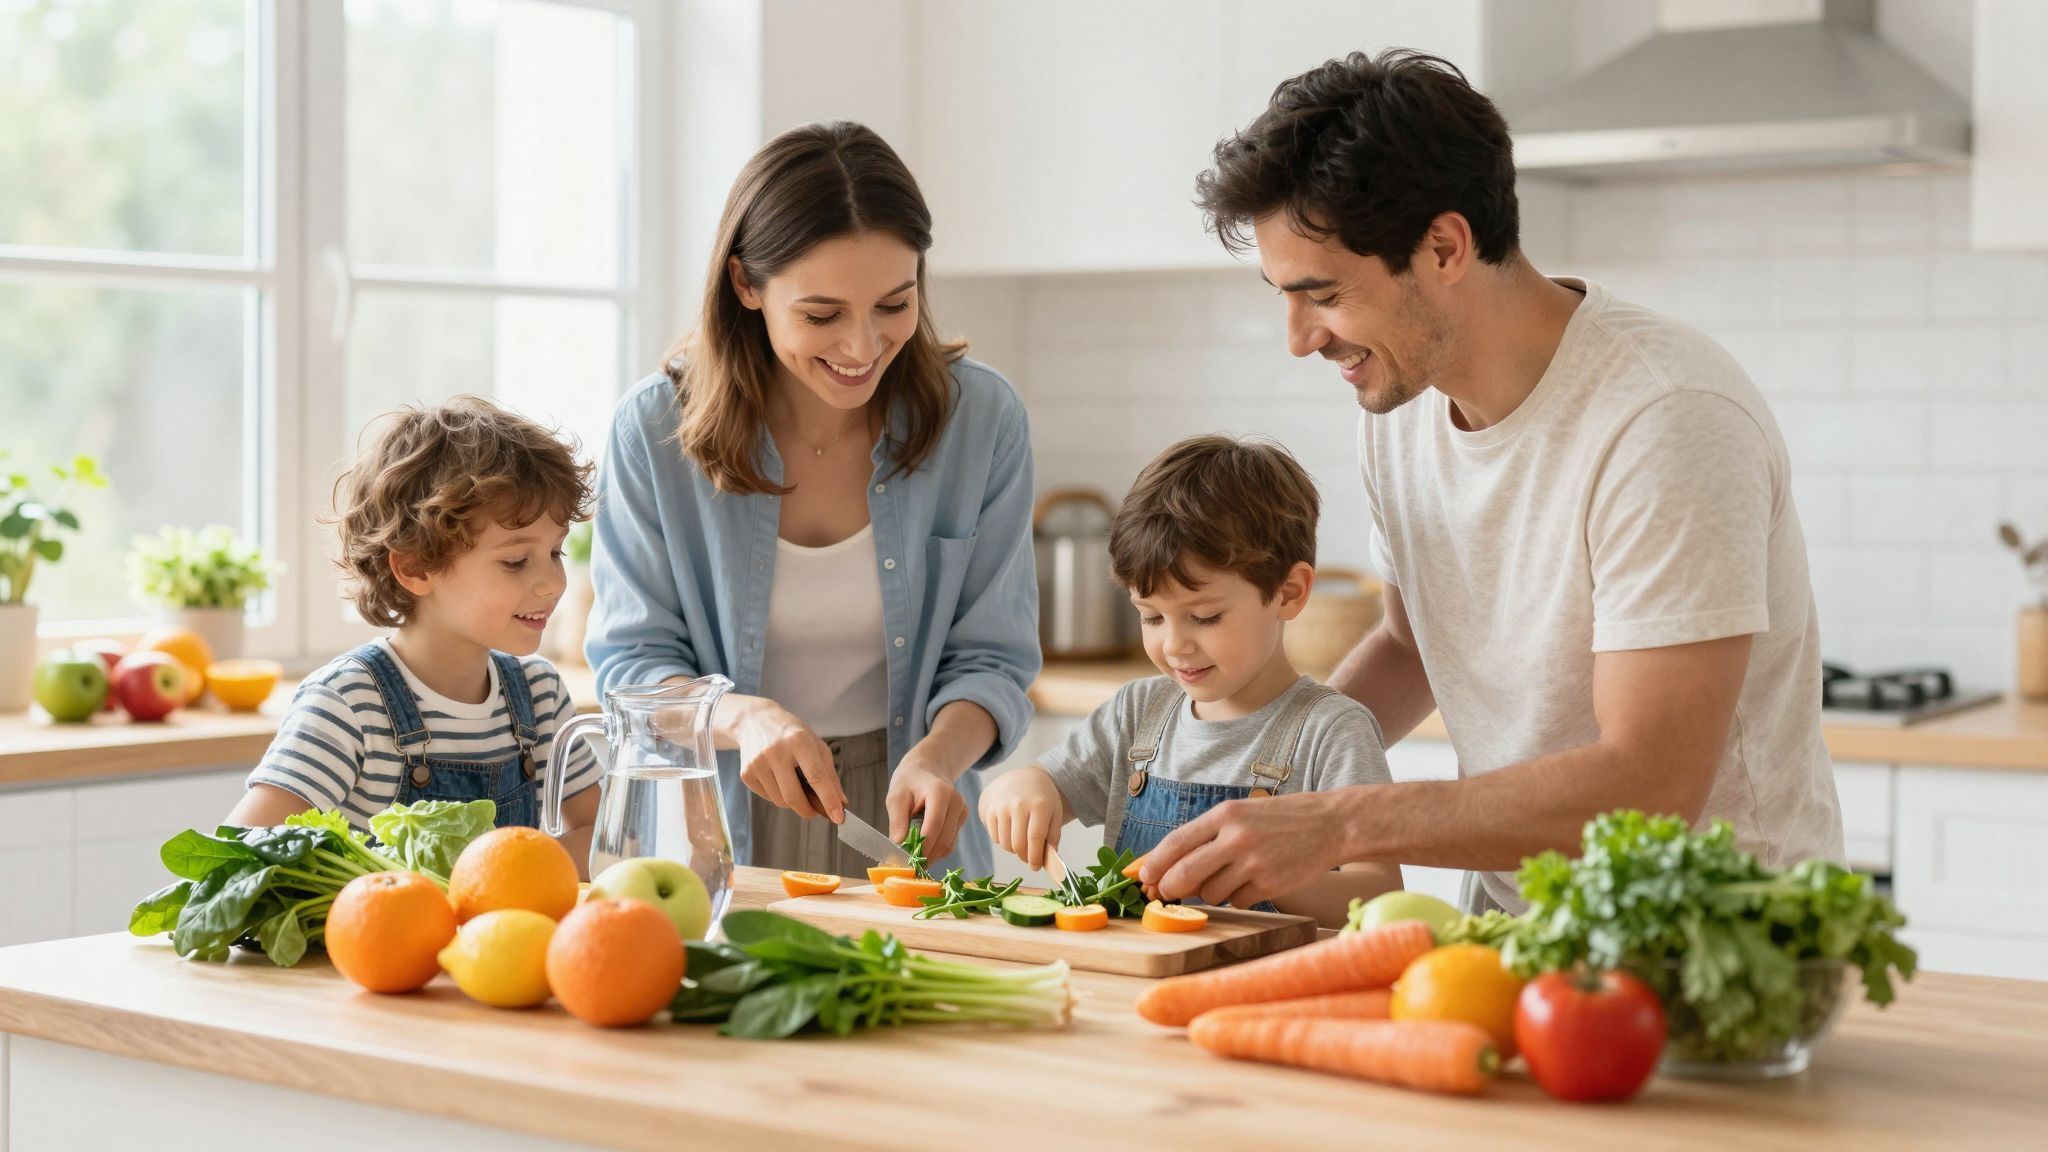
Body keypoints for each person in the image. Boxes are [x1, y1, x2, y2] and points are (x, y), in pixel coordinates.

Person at [1139, 50, 1842, 913]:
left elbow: (1652, 784)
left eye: (1321, 294)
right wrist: (1259, 781)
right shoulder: (1401, 406)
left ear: (1443, 247)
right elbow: (1409, 648)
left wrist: (1340, 822)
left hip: (1712, 948)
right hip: (1517, 930)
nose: (1298, 338)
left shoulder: (1664, 416)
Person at [585, 121, 1039, 879]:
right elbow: (631, 665)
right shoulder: (653, 431)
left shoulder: (982, 420)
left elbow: (991, 657)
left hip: (912, 821)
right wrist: (740, 715)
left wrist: (938, 756)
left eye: (894, 304)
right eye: (822, 315)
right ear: (746, 285)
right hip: (719, 816)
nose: (862, 347)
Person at [978, 435, 1401, 926]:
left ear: (1288, 592)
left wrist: (1265, 873)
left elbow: (1377, 897)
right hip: (1137, 981)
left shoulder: (1331, 731)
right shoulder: (1138, 713)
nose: (1175, 645)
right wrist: (1019, 789)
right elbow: (1043, 785)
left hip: (1266, 991)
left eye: (1204, 617)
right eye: (1152, 617)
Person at [228, 396, 605, 867]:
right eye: (515, 562)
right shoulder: (349, 703)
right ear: (415, 567)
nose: (552, 583)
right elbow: (245, 855)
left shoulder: (539, 693)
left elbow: (604, 834)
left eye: (556, 552)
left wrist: (504, 872)